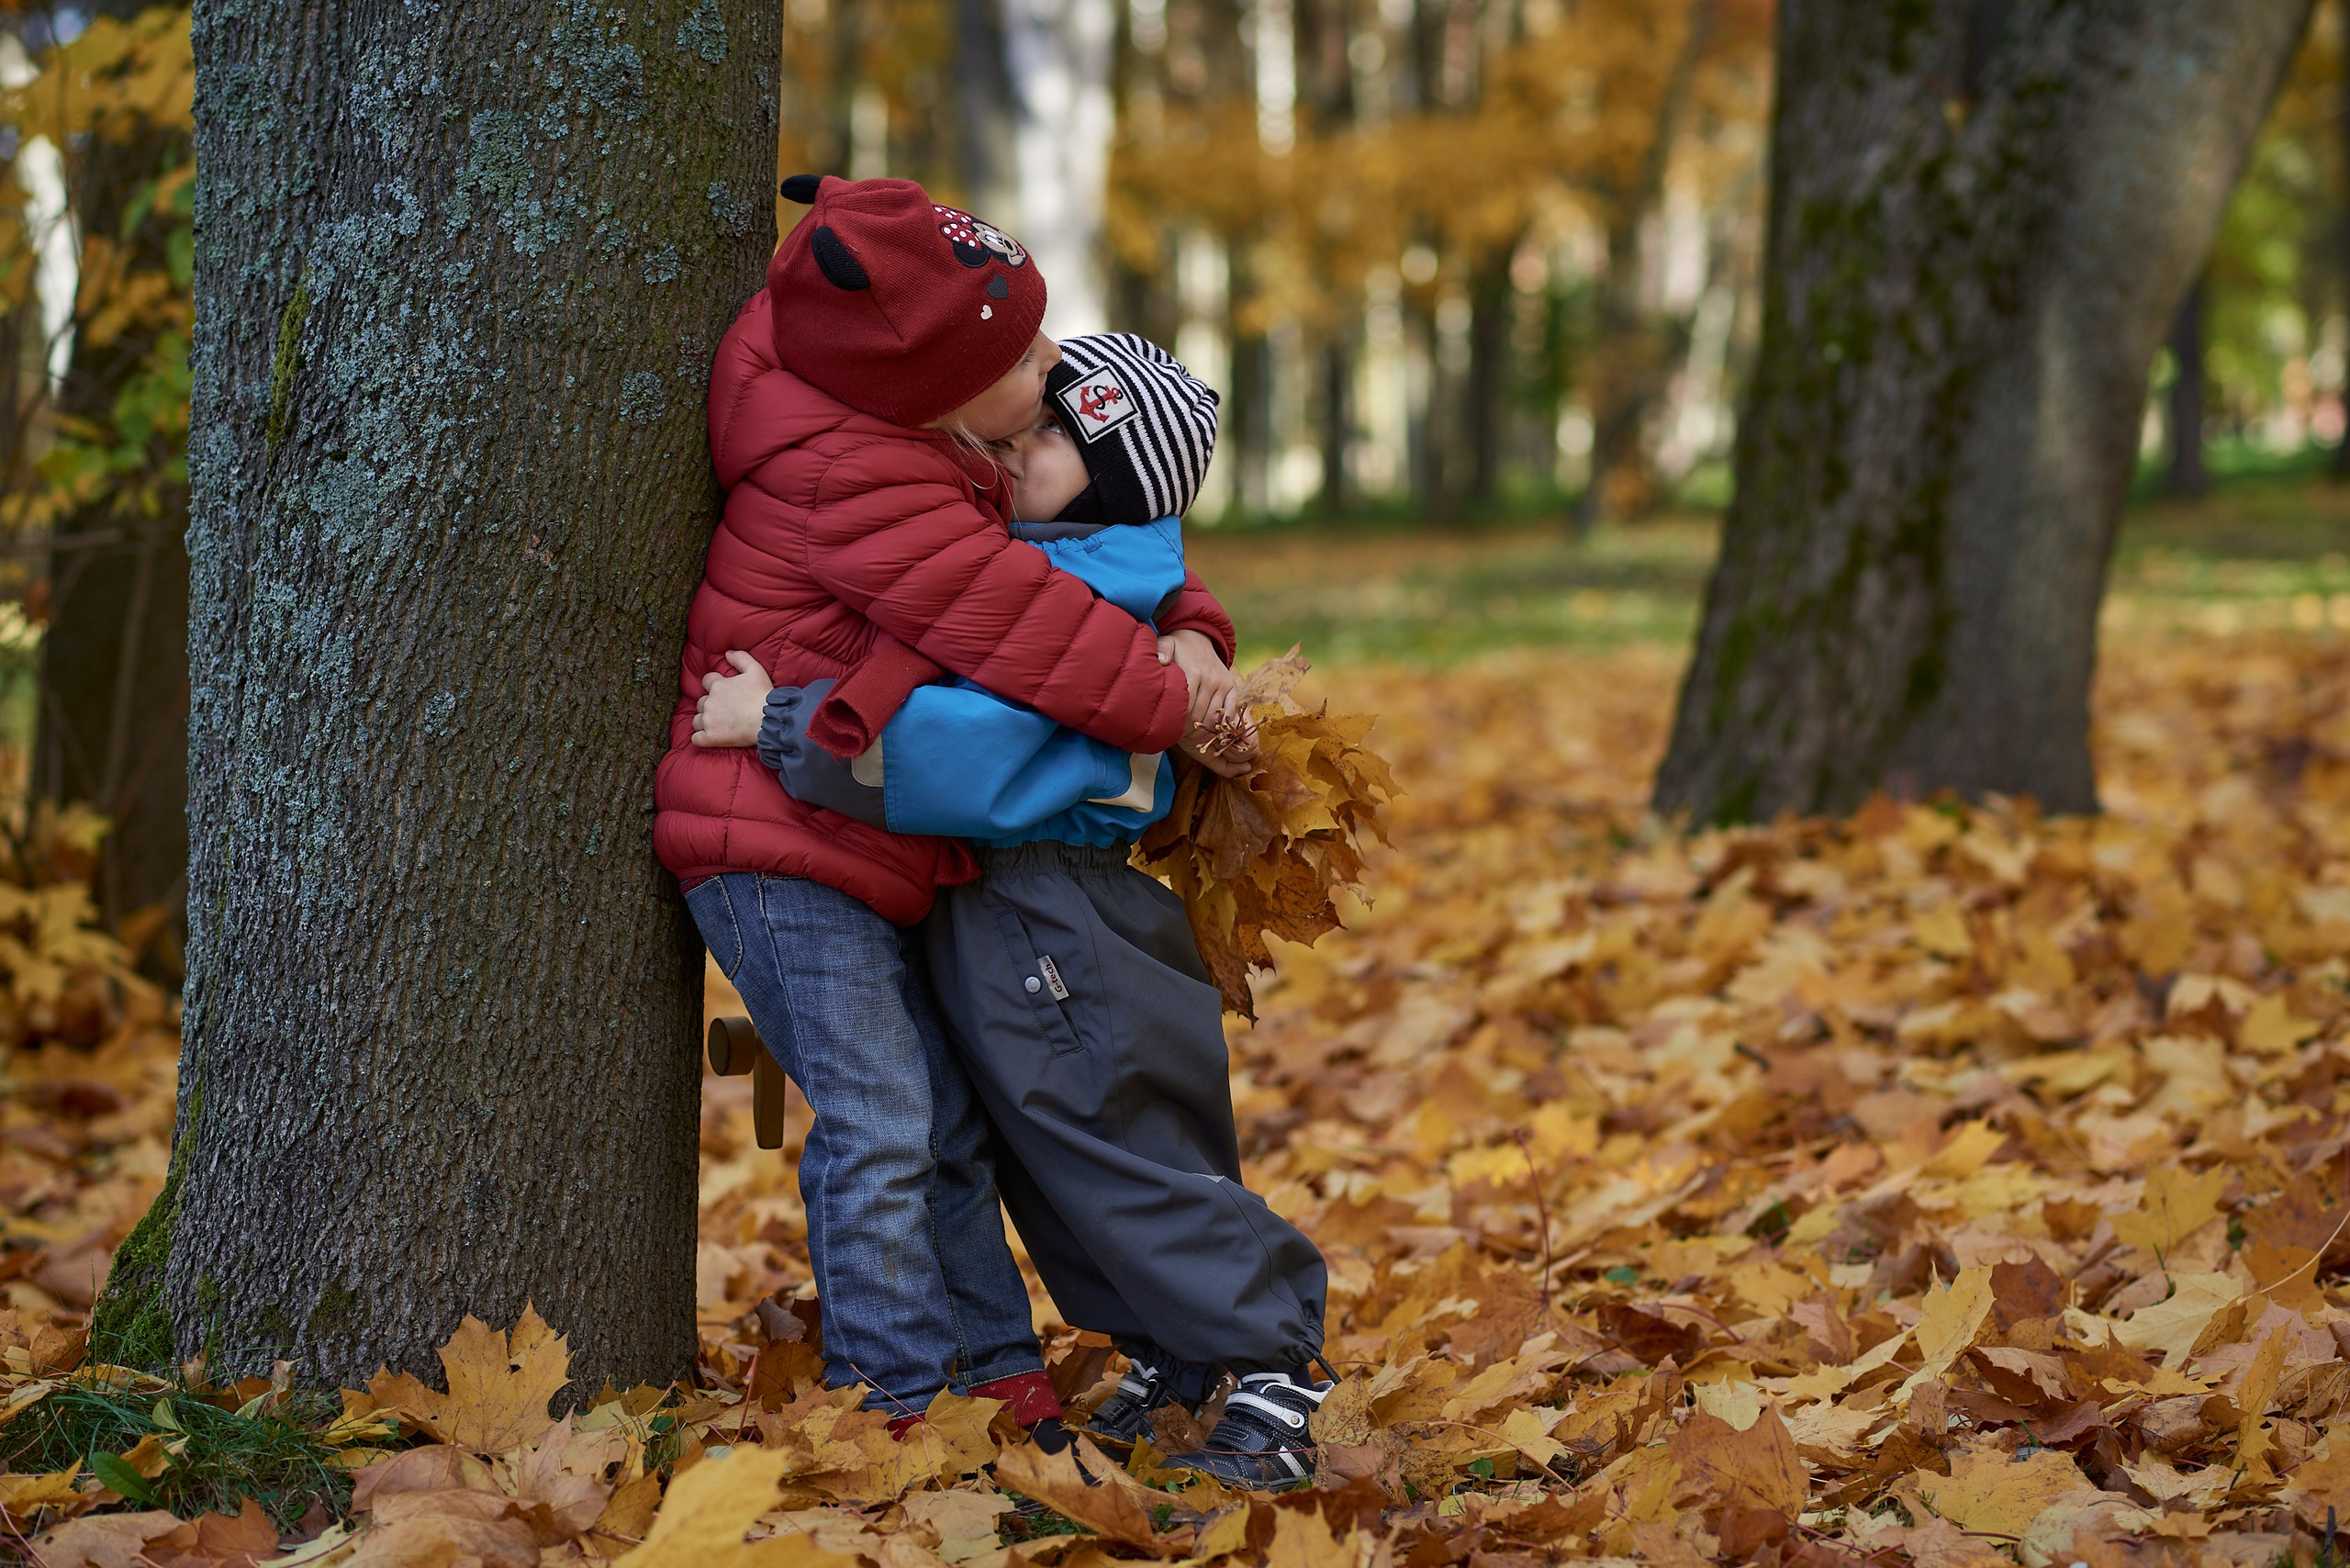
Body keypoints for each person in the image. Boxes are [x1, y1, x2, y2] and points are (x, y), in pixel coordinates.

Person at [692, 334, 1336, 1490]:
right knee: (1043, 1158)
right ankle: (1178, 1349)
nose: (1015, 438)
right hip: (1003, 916)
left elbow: (980, 753)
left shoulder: (1088, 598)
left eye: (1050, 434)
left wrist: (785, 723)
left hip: (1057, 910)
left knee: (1113, 1144)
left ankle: (1274, 1357)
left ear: (1110, 485)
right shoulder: (1039, 549)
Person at [654, 175, 1242, 1439]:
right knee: (882, 1118)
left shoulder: (896, 414)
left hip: (844, 832)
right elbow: (1026, 620)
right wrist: (1172, 702)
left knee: (943, 1120)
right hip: (770, 836)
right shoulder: (859, 473)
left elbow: (1103, 562)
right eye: (1023, 359)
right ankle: (896, 1400)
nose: (1050, 363)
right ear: (940, 386)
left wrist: (1194, 629)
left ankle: (993, 1373)